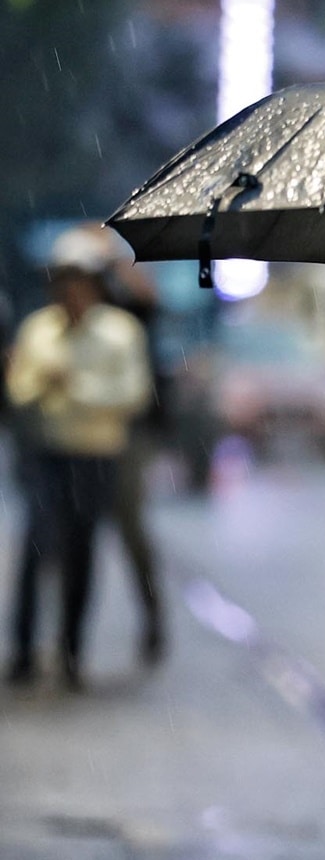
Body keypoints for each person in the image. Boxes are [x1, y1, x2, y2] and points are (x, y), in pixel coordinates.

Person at [5, 262, 151, 688]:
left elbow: (133, 393)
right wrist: (45, 382)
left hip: (95, 454)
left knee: (81, 551)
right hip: (48, 452)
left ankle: (71, 650)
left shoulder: (119, 332)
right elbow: (19, 388)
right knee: (36, 549)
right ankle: (24, 650)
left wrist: (76, 385)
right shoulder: (39, 329)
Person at [50, 222, 167, 663]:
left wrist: (113, 255)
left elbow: (151, 302)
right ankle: (69, 642)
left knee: (131, 530)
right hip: (77, 444)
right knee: (74, 541)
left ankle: (152, 618)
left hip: (127, 436)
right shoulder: (64, 318)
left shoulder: (123, 315)